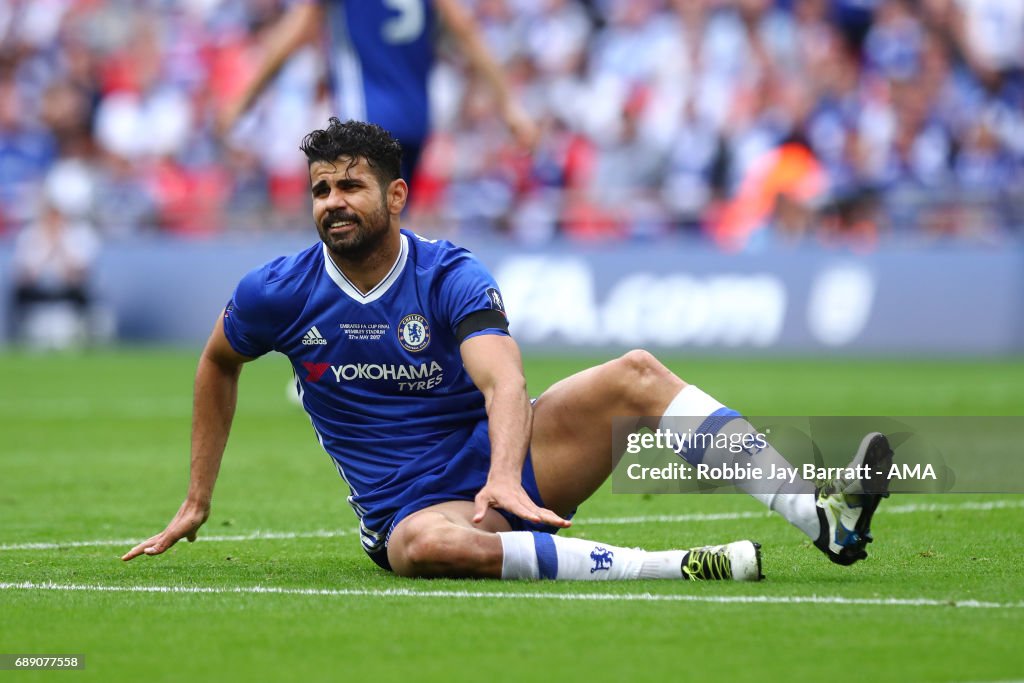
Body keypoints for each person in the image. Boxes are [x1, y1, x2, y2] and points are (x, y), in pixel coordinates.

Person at [123, 119, 893, 580]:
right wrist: (198, 498)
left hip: (510, 462)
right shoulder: (278, 290)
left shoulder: (450, 272)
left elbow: (504, 378)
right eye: (321, 189)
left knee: (635, 373)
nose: (333, 204)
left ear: (395, 197)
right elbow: (218, 360)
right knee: (425, 543)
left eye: (351, 187)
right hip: (413, 508)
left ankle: (824, 519)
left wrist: (505, 479)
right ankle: (676, 565)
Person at [219, 0, 538, 181]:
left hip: (362, 122)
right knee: (385, 238)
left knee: (354, 245)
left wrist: (244, 99)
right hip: (415, 120)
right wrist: (509, 103)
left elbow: (297, 30)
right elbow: (465, 30)